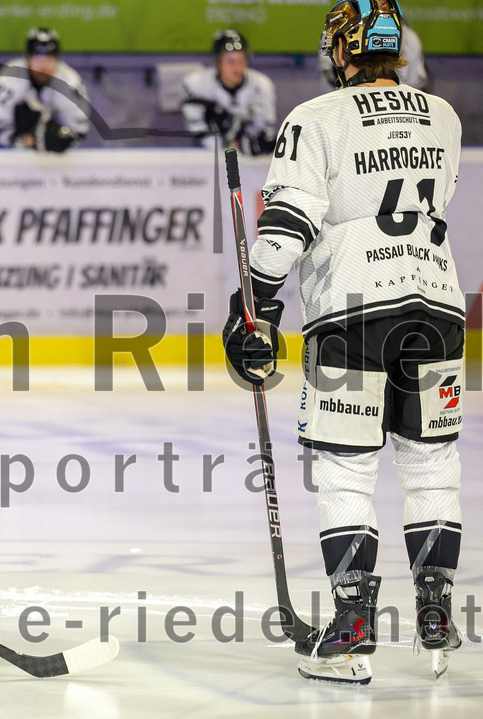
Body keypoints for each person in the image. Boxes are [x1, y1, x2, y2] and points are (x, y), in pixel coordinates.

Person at [222, 0, 464, 684]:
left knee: (346, 472)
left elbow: (286, 227)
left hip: (352, 317)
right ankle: (437, 614)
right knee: (430, 465)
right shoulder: (442, 116)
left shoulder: (314, 119)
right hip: (437, 309)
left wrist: (255, 308)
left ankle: (353, 630)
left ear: (342, 49)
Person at [0, 27, 90, 152]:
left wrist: (59, 138)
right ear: (27, 58)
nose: (42, 67)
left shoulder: (71, 82)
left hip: (56, 160)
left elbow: (79, 132)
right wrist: (27, 141)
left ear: (58, 60)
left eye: (49, 60)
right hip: (5, 154)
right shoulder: (9, 79)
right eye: (37, 59)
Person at [181, 30, 277, 155]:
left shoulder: (262, 85)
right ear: (218, 62)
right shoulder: (196, 84)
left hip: (249, 158)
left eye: (242, 60)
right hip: (208, 159)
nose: (237, 66)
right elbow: (197, 132)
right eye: (230, 61)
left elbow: (264, 132)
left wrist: (244, 143)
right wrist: (225, 145)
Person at [320, 18, 429, 90]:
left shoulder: (409, 37)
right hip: (345, 104)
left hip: (396, 106)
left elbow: (416, 84)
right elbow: (330, 75)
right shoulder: (337, 33)